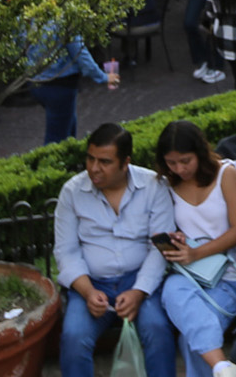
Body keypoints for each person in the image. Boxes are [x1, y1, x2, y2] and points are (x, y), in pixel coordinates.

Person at [55, 122, 181, 377]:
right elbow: (66, 251)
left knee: (157, 330)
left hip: (140, 282)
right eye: (90, 159)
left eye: (104, 161)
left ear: (126, 162)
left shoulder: (153, 186)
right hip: (91, 284)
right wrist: (88, 292)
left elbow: (159, 248)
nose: (93, 168)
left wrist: (139, 291)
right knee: (73, 337)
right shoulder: (72, 191)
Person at [154, 122, 236, 377]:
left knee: (191, 339)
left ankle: (220, 367)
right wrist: (178, 239)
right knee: (171, 289)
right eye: (171, 163)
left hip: (227, 276)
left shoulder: (225, 174)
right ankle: (222, 367)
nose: (179, 169)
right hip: (189, 276)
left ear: (199, 152)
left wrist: (198, 252)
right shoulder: (167, 184)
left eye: (185, 161)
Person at [27, 22, 109, 145]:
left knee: (68, 124)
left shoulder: (28, 16)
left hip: (35, 82)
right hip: (59, 85)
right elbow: (80, 54)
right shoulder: (64, 20)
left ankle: (70, 157)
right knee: (56, 139)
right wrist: (104, 77)